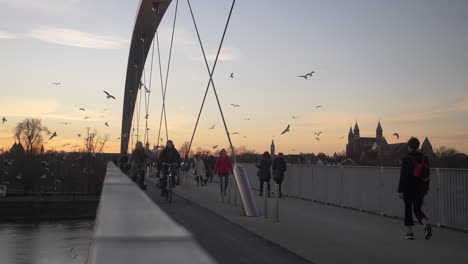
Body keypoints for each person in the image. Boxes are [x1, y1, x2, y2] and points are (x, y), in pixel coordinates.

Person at [398, 137, 432, 240]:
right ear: (418, 146)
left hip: (408, 188)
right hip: (420, 188)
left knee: (408, 209)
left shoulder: (407, 158)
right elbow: (427, 175)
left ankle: (410, 233)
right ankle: (426, 224)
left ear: (409, 147)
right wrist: (426, 189)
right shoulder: (424, 158)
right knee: (417, 209)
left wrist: (400, 190)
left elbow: (403, 176)